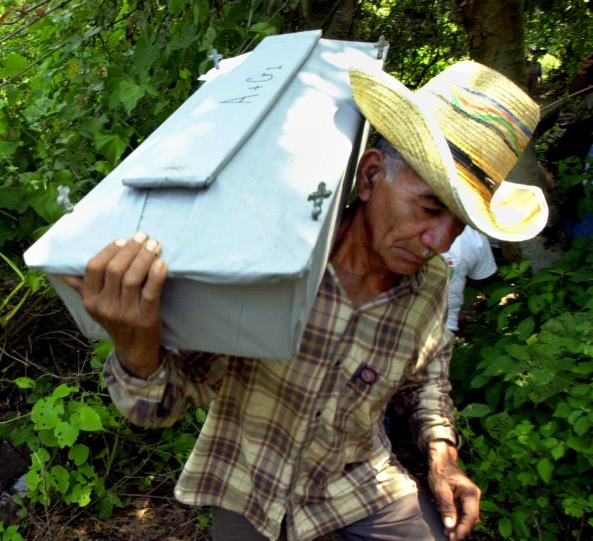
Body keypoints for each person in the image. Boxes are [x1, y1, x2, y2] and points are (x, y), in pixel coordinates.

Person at [61, 61, 548, 541]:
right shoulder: (276, 265)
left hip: (358, 479)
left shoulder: (431, 283)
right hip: (248, 481)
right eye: (429, 207)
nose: (441, 240)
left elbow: (428, 376)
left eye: (459, 224)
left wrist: (443, 452)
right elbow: (162, 406)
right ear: (372, 174)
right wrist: (137, 348)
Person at [441, 227, 497, 334]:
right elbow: (482, 279)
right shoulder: (474, 235)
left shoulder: (474, 236)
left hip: (440, 323)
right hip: (444, 324)